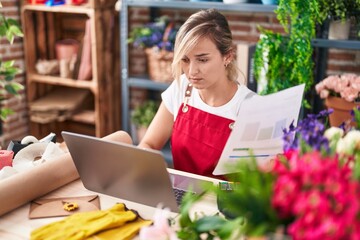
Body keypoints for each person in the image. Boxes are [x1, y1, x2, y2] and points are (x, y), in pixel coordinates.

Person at [124, 9, 256, 178]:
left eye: (202, 59)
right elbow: (148, 143)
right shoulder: (181, 88)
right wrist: (151, 160)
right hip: (182, 199)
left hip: (224, 204)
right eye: (185, 60)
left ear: (228, 56)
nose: (192, 71)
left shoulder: (250, 107)